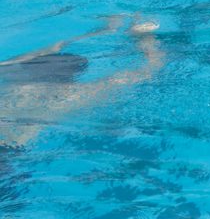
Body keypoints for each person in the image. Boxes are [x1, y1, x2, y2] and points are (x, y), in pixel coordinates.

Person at [0, 16, 164, 149]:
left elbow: (48, 49)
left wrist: (102, 30)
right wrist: (144, 37)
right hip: (9, 151)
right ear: (71, 78)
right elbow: (149, 69)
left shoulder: (9, 73)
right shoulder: (73, 95)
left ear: (29, 68)